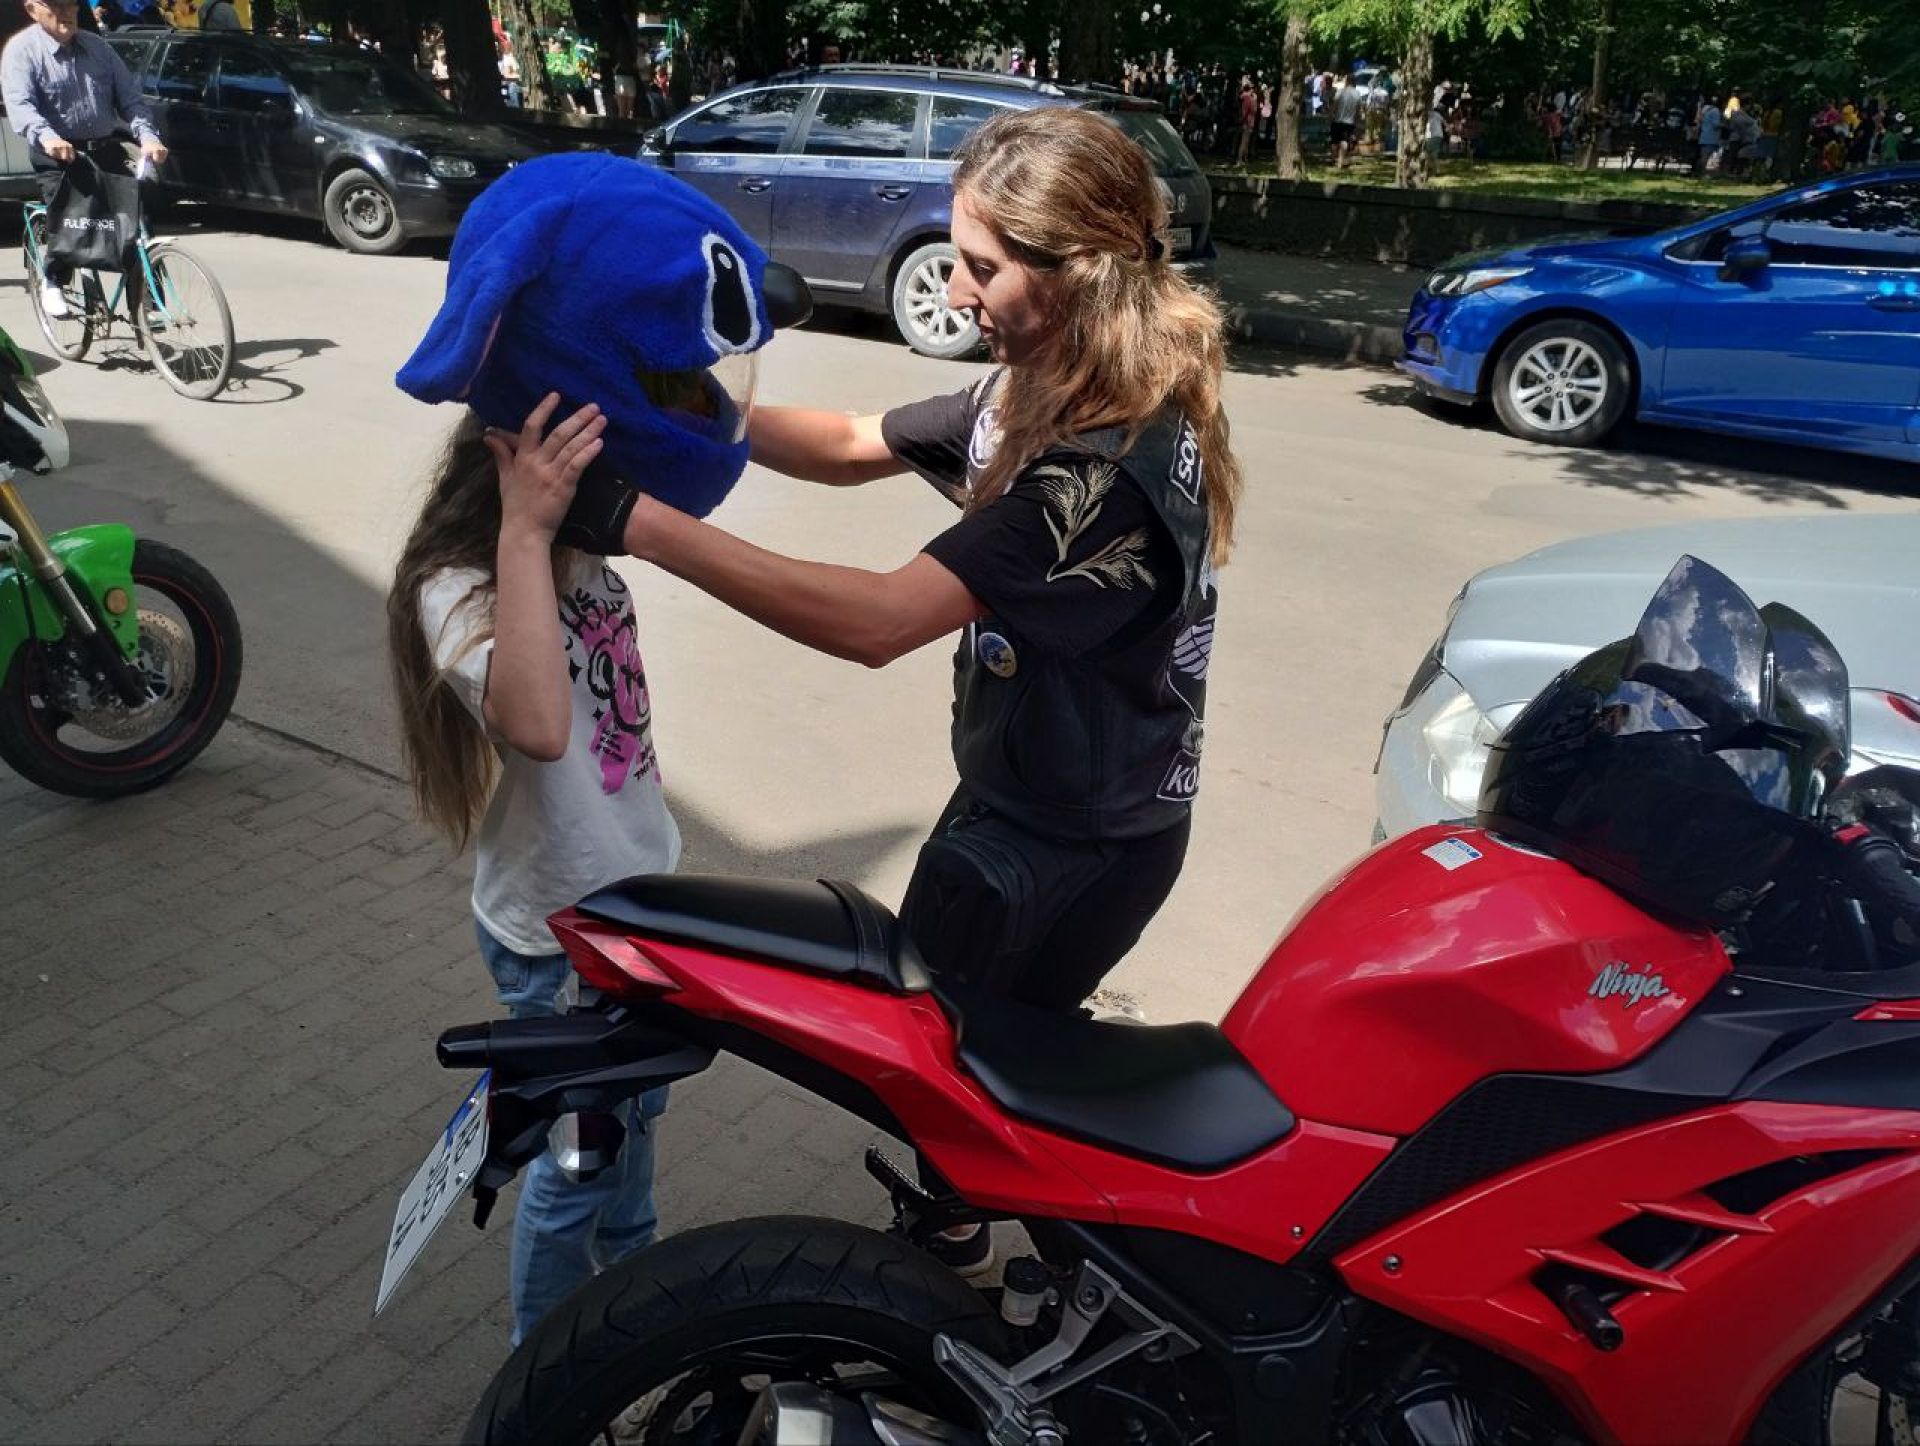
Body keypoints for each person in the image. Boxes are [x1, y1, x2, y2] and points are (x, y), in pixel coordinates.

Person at [500, 110, 1243, 1277]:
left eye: (982, 265)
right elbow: (852, 441)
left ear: (1074, 273)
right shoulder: (1049, 383)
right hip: (1040, 799)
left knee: (975, 1073)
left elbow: (879, 620)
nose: (954, 285)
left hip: (1079, 842)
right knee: (964, 1059)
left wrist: (629, 518)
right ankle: (967, 1231)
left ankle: (1043, 1289)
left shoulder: (1096, 476)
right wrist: (687, 408)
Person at [389, 154, 807, 1346]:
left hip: (635, 906)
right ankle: (551, 1374)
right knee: (574, 1173)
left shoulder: (584, 564)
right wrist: (525, 534)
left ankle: (636, 1304)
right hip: (558, 939)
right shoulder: (462, 587)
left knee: (631, 1138)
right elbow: (535, 724)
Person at [0, 0, 166, 320]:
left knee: (136, 214)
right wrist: (48, 138)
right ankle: (53, 280)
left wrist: (148, 137)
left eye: (71, 6)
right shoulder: (22, 50)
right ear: (33, 10)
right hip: (57, 152)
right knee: (71, 217)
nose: (66, 13)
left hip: (104, 146)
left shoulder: (98, 47)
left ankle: (149, 299)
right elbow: (21, 105)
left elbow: (131, 101)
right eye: (56, 7)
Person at [1330, 71, 1363, 168]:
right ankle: (1340, 160)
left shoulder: (1340, 91)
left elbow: (1334, 105)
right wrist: (1359, 121)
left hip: (1337, 119)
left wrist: (1331, 115)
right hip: (1349, 121)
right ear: (1354, 82)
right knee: (1344, 141)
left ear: (1347, 82)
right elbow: (1359, 110)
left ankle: (1334, 159)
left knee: (1334, 141)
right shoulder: (1357, 94)